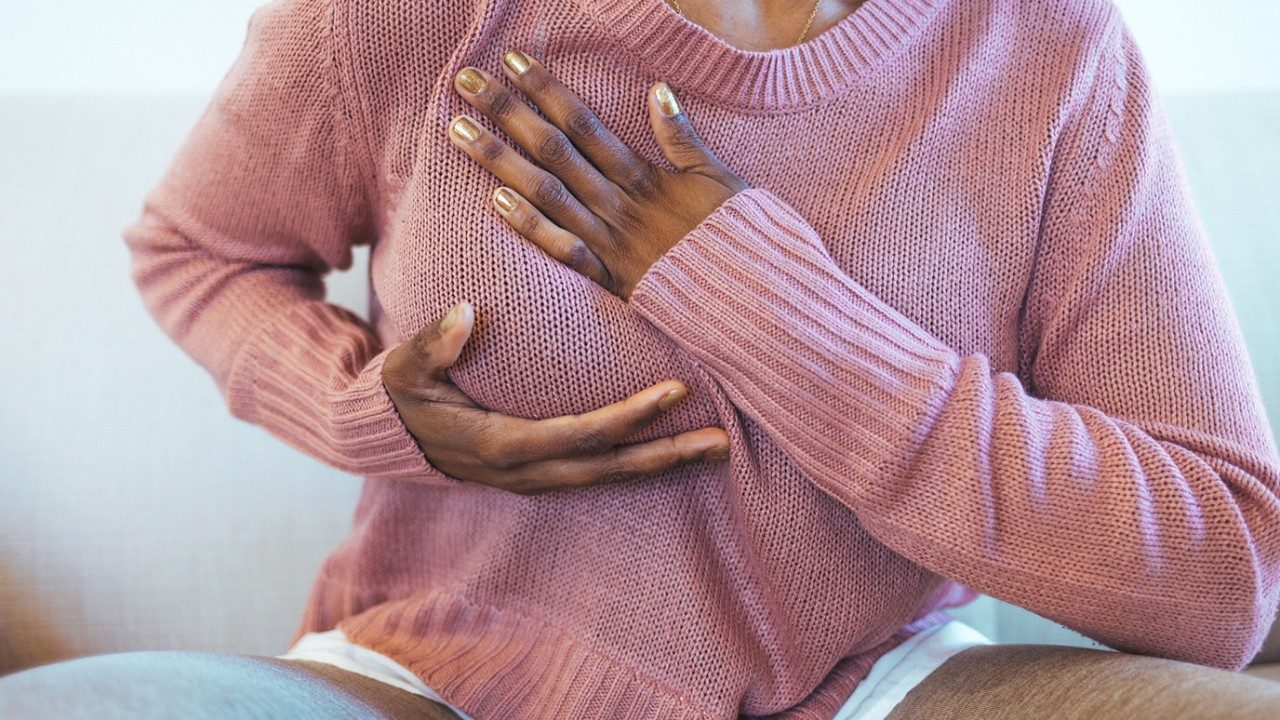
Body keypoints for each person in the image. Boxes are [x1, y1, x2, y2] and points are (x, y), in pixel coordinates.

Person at [5, 0, 1280, 717]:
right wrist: (361, 408)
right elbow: (195, 250)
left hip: (871, 687)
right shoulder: (397, 18)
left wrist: (748, 292)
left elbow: (1223, 579)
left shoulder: (1047, 54)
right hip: (438, 671)